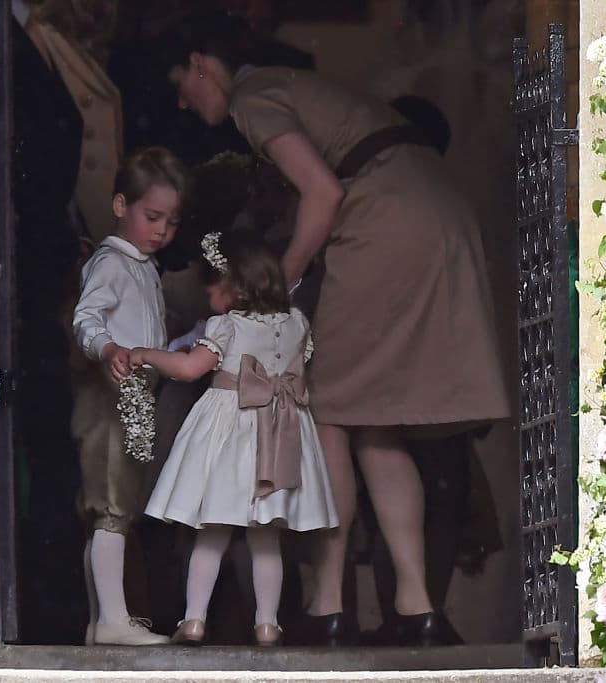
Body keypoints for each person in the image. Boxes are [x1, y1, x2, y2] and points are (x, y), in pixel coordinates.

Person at [159, 13, 509, 646]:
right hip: (436, 210)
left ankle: (327, 603)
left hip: (385, 222)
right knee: (375, 419)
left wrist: (277, 288)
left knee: (328, 409)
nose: (183, 99)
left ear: (201, 62)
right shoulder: (289, 86)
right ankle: (417, 604)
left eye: (181, 82)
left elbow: (322, 192)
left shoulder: (253, 95)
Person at [132, 231, 338, 646]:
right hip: (280, 433)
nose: (207, 288)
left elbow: (190, 368)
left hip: (231, 434)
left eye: (214, 281)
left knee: (211, 532)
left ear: (237, 287)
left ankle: (193, 620)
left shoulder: (225, 326)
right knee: (266, 538)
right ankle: (267, 623)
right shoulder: (297, 323)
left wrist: (146, 354)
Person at [72, 147, 186, 646]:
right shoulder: (111, 264)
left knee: (116, 507)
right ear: (121, 205)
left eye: (172, 221)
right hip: (111, 400)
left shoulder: (144, 267)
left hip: (136, 402)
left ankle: (102, 620)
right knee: (113, 507)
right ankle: (114, 621)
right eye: (152, 216)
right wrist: (108, 347)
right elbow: (86, 318)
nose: (162, 230)